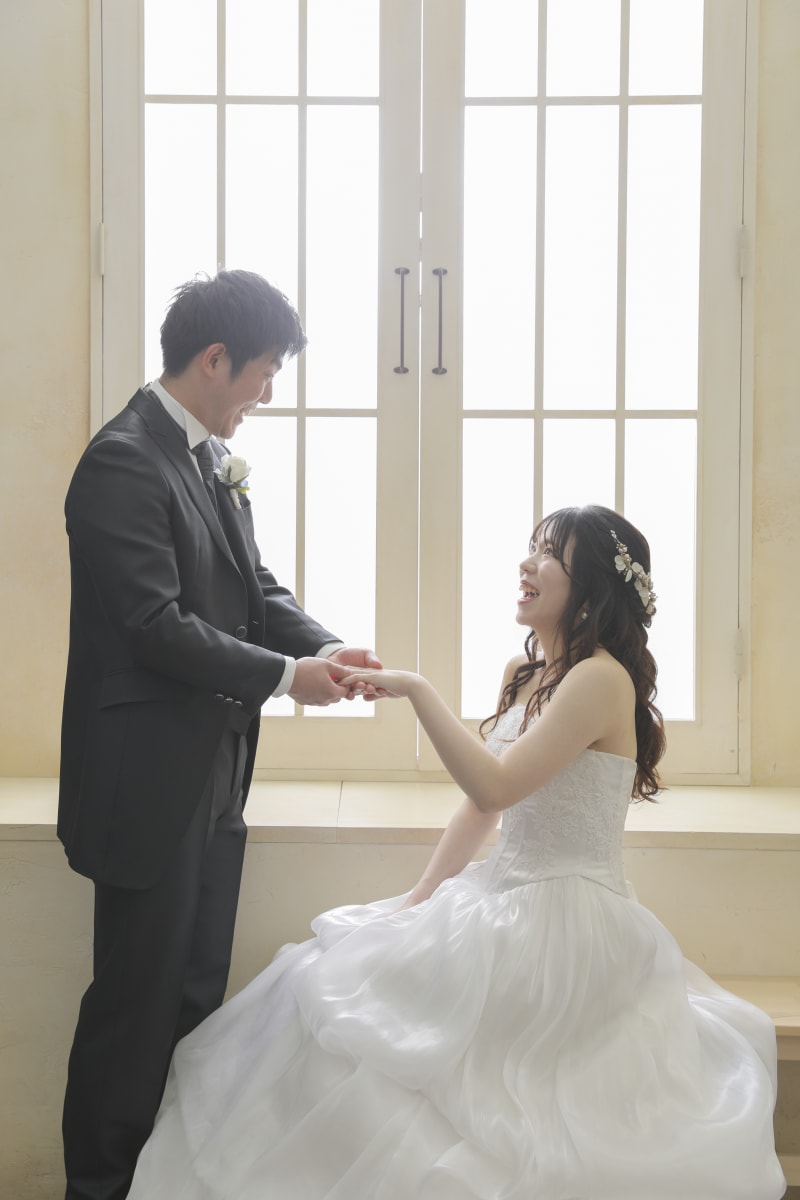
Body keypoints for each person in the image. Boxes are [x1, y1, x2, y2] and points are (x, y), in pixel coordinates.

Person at [127, 505, 784, 1199]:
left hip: (567, 923)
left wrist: (416, 690)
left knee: (495, 1099)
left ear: (591, 586)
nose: (527, 564)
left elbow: (493, 784)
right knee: (328, 974)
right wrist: (419, 898)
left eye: (549, 554)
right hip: (496, 895)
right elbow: (480, 811)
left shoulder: (600, 679)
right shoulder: (525, 672)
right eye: (531, 547)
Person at [58, 268, 382, 1200]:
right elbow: (154, 624)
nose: (267, 395)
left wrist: (325, 648)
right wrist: (287, 678)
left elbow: (252, 588)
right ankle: (99, 1189)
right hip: (147, 786)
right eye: (264, 372)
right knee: (134, 1009)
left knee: (195, 1000)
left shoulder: (205, 458)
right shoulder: (123, 460)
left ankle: (165, 1181)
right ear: (214, 359)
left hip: (216, 773)